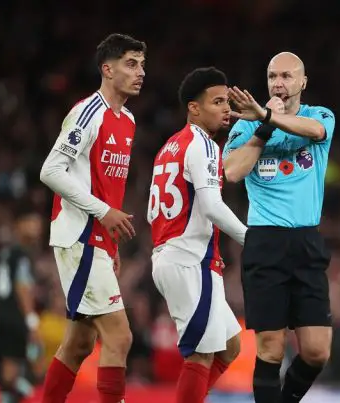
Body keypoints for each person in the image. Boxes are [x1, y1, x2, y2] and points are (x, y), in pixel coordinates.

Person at [38, 33, 146, 403]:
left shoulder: (128, 120)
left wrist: (110, 241)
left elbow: (105, 187)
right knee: (120, 337)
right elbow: (51, 171)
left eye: (142, 65)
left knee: (79, 344)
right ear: (107, 68)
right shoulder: (89, 112)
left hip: (98, 240)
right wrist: (102, 214)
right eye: (131, 64)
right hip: (79, 235)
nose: (140, 72)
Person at [223, 52, 335, 403]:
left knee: (317, 351)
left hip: (306, 241)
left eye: (287, 76)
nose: (278, 83)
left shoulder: (320, 115)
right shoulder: (246, 125)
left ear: (303, 82)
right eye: (273, 76)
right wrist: (263, 126)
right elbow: (232, 172)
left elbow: (315, 133)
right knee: (271, 348)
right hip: (265, 240)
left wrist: (268, 114)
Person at [148, 67, 246, 403]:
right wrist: (253, 239)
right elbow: (212, 206)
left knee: (231, 345)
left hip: (177, 255)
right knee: (200, 356)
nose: (225, 109)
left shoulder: (170, 146)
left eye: (226, 101)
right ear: (194, 108)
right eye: (217, 101)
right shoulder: (203, 145)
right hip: (189, 260)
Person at [0, 212, 43, 402]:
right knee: (36, 360)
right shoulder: (21, 254)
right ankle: (23, 389)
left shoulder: (7, 252)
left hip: (2, 314)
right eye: (32, 223)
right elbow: (22, 287)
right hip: (17, 316)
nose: (38, 228)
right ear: (19, 225)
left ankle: (10, 395)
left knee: (8, 367)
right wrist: (31, 321)